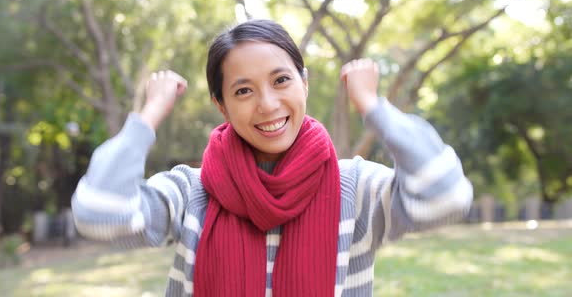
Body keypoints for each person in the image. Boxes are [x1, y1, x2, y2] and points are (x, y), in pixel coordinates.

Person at [71, 19, 473, 297]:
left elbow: (446, 198)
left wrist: (374, 107)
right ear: (222, 106)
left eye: (281, 80)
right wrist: (148, 116)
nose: (267, 104)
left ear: (304, 82)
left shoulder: (356, 189)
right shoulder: (192, 192)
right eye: (243, 91)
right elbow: (99, 213)